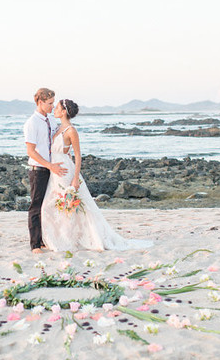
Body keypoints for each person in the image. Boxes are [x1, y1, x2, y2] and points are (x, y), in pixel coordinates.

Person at [41, 98, 153, 252]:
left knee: (70, 206)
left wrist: (75, 178)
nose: (54, 109)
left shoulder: (71, 131)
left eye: (58, 107)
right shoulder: (57, 128)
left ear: (64, 111)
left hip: (65, 172)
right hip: (55, 171)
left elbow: (78, 155)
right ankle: (60, 237)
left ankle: (71, 239)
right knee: (52, 205)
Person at [24, 88, 67, 253]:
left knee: (49, 206)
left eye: (53, 103)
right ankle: (35, 244)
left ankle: (45, 240)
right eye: (49, 103)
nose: (52, 106)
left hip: (51, 168)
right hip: (39, 169)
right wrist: (50, 166)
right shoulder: (32, 123)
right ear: (40, 102)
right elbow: (31, 151)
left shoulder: (50, 121)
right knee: (36, 206)